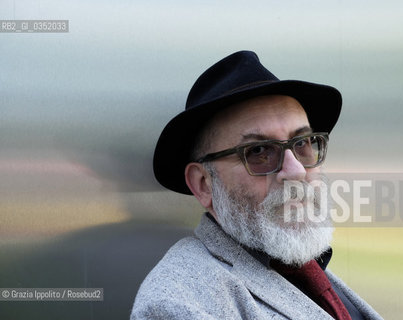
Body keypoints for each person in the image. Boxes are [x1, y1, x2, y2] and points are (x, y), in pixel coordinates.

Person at [131, 51, 382, 320]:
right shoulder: (178, 302)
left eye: (302, 144)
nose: (296, 171)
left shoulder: (301, 269)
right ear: (203, 184)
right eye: (259, 151)